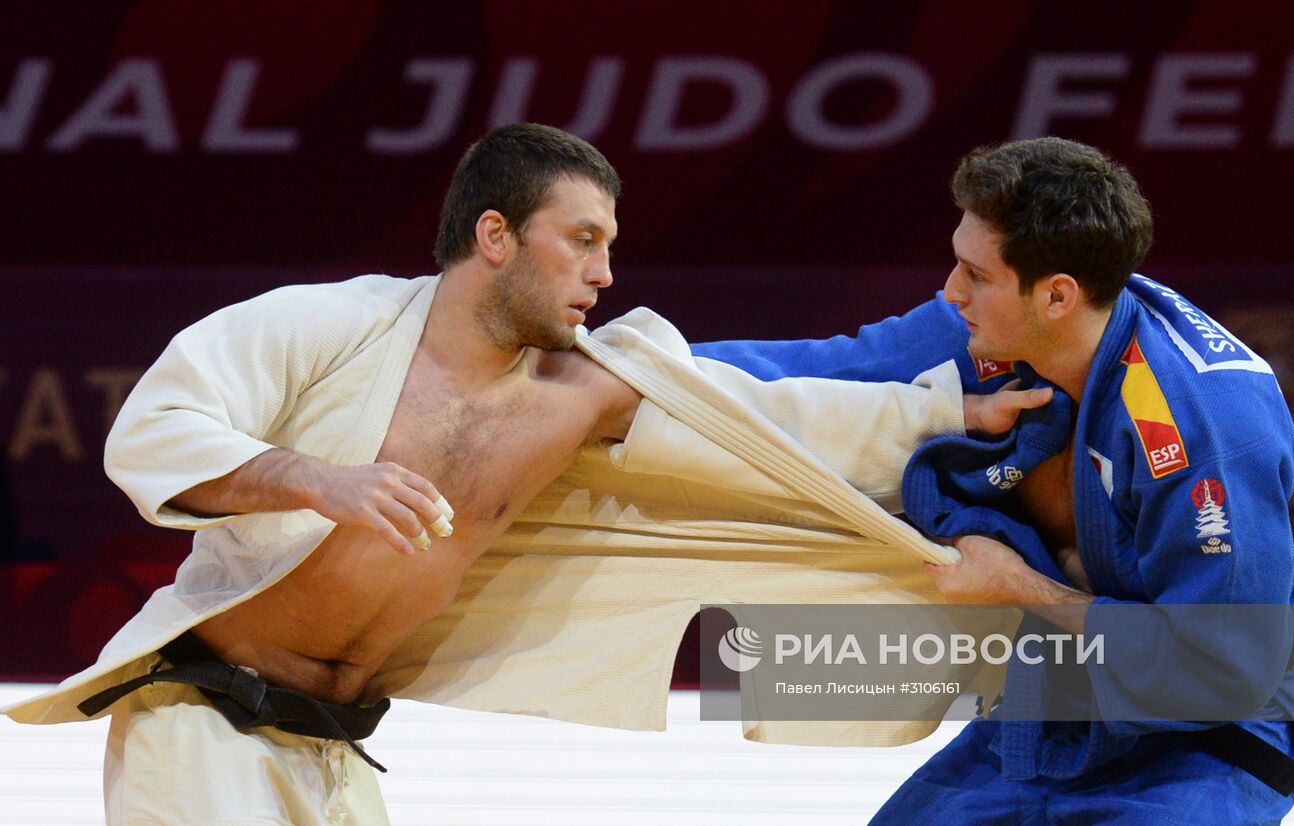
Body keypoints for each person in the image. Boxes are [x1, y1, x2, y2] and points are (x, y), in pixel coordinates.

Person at [7, 123, 1049, 825]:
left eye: (609, 244)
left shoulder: (581, 389)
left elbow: (756, 416)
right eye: (581, 241)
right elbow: (154, 427)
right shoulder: (327, 323)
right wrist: (317, 481)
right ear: (494, 236)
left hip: (332, 749)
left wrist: (940, 410)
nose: (604, 273)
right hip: (201, 720)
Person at [696, 137, 1294, 824]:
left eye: (977, 274)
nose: (951, 291)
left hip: (1204, 745)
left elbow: (1225, 670)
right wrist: (612, 368)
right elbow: (810, 372)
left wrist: (1020, 586)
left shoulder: (1200, 421)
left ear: (1057, 296)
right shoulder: (991, 334)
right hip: (1047, 723)